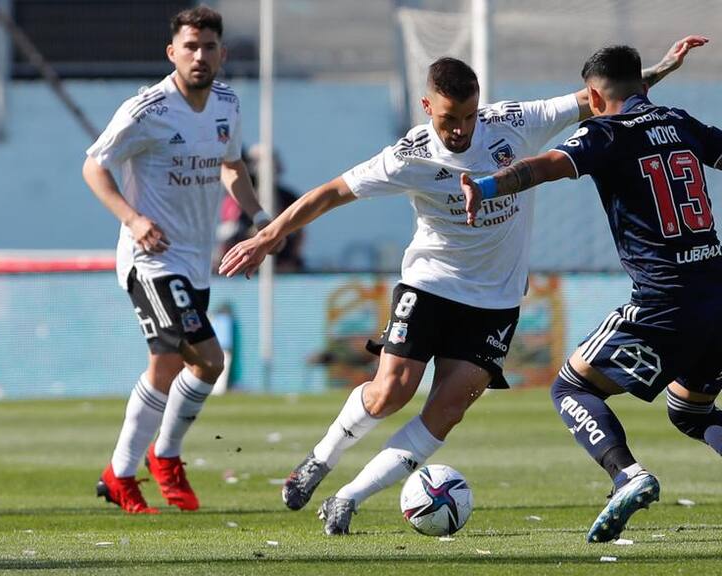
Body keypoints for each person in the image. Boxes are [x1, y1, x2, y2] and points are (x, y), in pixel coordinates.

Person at [220, 38, 704, 536]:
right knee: (391, 391)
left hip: (495, 301)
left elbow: (599, 98)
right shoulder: (408, 155)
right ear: (427, 106)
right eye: (451, 118)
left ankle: (347, 498)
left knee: (446, 410)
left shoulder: (514, 121)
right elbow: (332, 193)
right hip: (430, 282)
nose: (461, 129)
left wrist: (660, 69)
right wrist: (266, 236)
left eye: (470, 117)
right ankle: (319, 461)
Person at [460, 41, 721, 543]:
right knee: (690, 411)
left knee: (571, 387)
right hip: (718, 289)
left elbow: (545, 166)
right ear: (643, 87)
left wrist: (486, 186)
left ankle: (628, 475)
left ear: (593, 97)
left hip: (666, 302)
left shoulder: (603, 133)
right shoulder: (681, 121)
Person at [82, 5, 272, 514]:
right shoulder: (148, 109)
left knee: (173, 365)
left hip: (193, 260)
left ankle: (124, 472)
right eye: (190, 46)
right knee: (210, 359)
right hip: (151, 259)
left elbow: (232, 166)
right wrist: (132, 219)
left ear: (221, 53)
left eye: (209, 47)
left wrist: (258, 218)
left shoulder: (228, 105)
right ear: (173, 52)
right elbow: (94, 167)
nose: (199, 56)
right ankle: (155, 461)